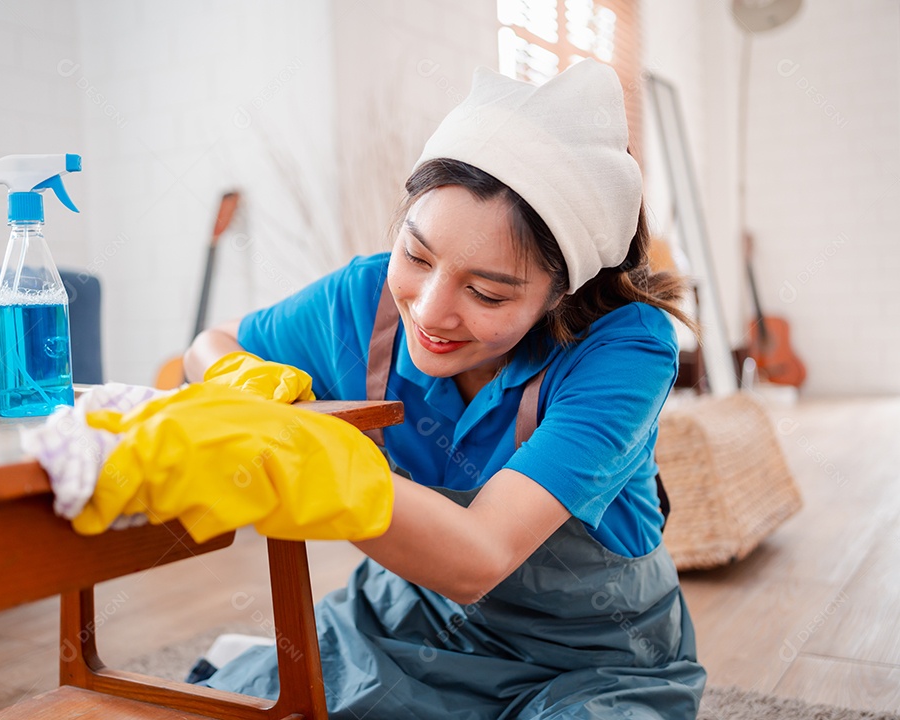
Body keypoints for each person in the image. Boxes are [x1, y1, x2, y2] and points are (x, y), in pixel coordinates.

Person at [184, 60, 707, 719]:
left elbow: (477, 558)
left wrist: (307, 462)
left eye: (486, 292)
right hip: (406, 626)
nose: (429, 313)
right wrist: (242, 385)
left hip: (590, 657)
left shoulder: (625, 349)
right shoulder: (363, 301)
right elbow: (209, 346)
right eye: (416, 256)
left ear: (561, 291)